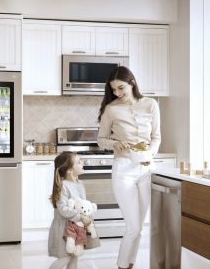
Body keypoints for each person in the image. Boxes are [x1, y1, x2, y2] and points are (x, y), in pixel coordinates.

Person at [97, 66, 161, 269]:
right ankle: (122, 265)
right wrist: (114, 143)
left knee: (139, 227)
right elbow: (101, 139)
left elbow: (156, 137)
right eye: (114, 89)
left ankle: (129, 265)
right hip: (124, 169)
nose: (117, 93)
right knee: (133, 226)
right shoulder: (111, 109)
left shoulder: (151, 104)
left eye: (121, 88)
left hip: (147, 169)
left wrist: (148, 155)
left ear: (132, 83)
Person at [48, 151, 91, 269]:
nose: (82, 163)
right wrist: (81, 216)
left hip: (76, 228)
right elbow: (63, 209)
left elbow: (82, 205)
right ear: (70, 170)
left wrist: (87, 216)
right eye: (78, 162)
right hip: (64, 228)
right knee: (65, 257)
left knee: (74, 256)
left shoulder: (80, 183)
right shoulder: (63, 185)